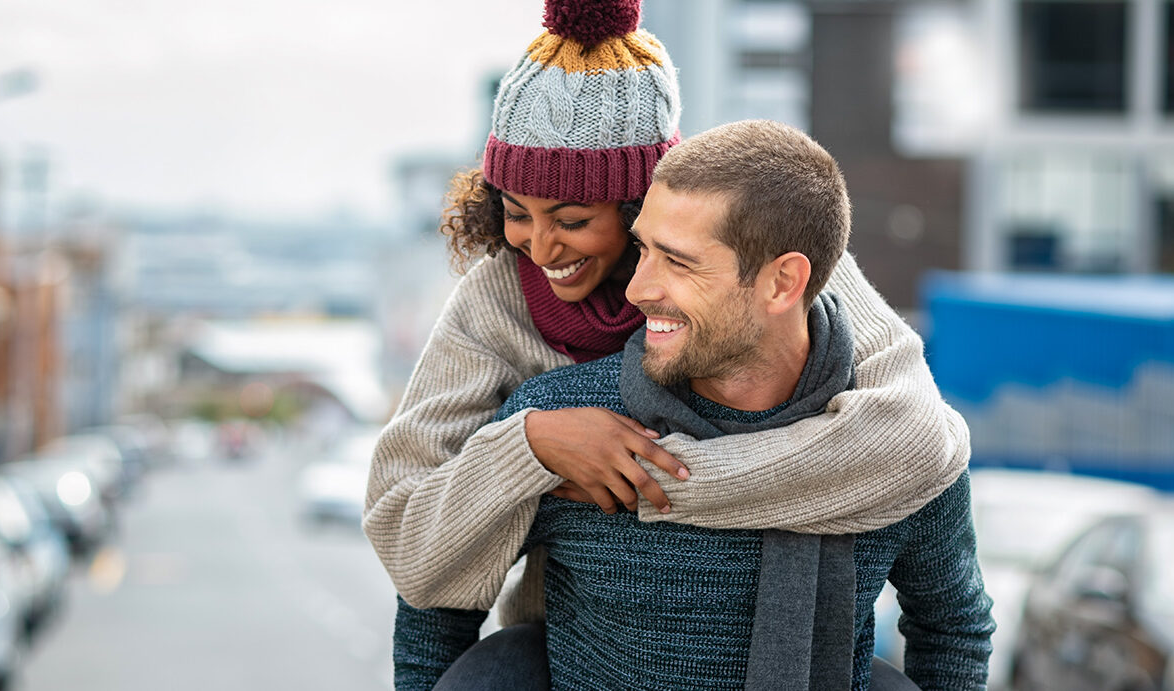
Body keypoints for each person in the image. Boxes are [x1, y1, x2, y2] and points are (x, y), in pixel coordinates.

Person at [365, 0, 967, 626]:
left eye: (572, 220)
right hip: (574, 639)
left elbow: (916, 438)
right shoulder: (495, 301)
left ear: (641, 204)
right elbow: (407, 536)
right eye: (516, 212)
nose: (540, 248)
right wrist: (533, 445)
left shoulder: (775, 267)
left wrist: (656, 484)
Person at [394, 119, 995, 691]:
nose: (636, 289)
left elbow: (952, 627)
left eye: (677, 262)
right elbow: (434, 602)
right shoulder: (566, 423)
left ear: (783, 283)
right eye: (642, 251)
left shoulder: (899, 451)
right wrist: (522, 448)